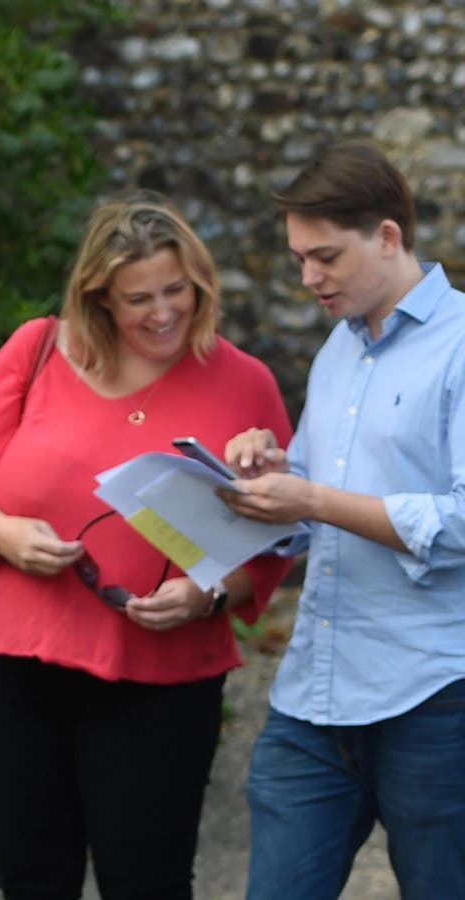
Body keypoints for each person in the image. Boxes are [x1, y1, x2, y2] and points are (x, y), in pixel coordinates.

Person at [0, 193, 293, 900]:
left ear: (201, 284)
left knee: (148, 883)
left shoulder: (245, 381)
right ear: (97, 297)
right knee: (31, 881)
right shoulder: (36, 350)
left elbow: (280, 541)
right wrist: (5, 534)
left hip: (166, 676)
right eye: (138, 298)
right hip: (16, 667)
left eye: (176, 291)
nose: (161, 312)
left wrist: (209, 591)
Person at [221, 141, 465, 900]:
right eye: (299, 258)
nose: (307, 279)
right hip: (315, 692)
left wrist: (316, 500)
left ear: (388, 237)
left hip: (434, 691)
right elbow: (316, 507)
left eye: (323, 257)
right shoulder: (339, 349)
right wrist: (272, 476)